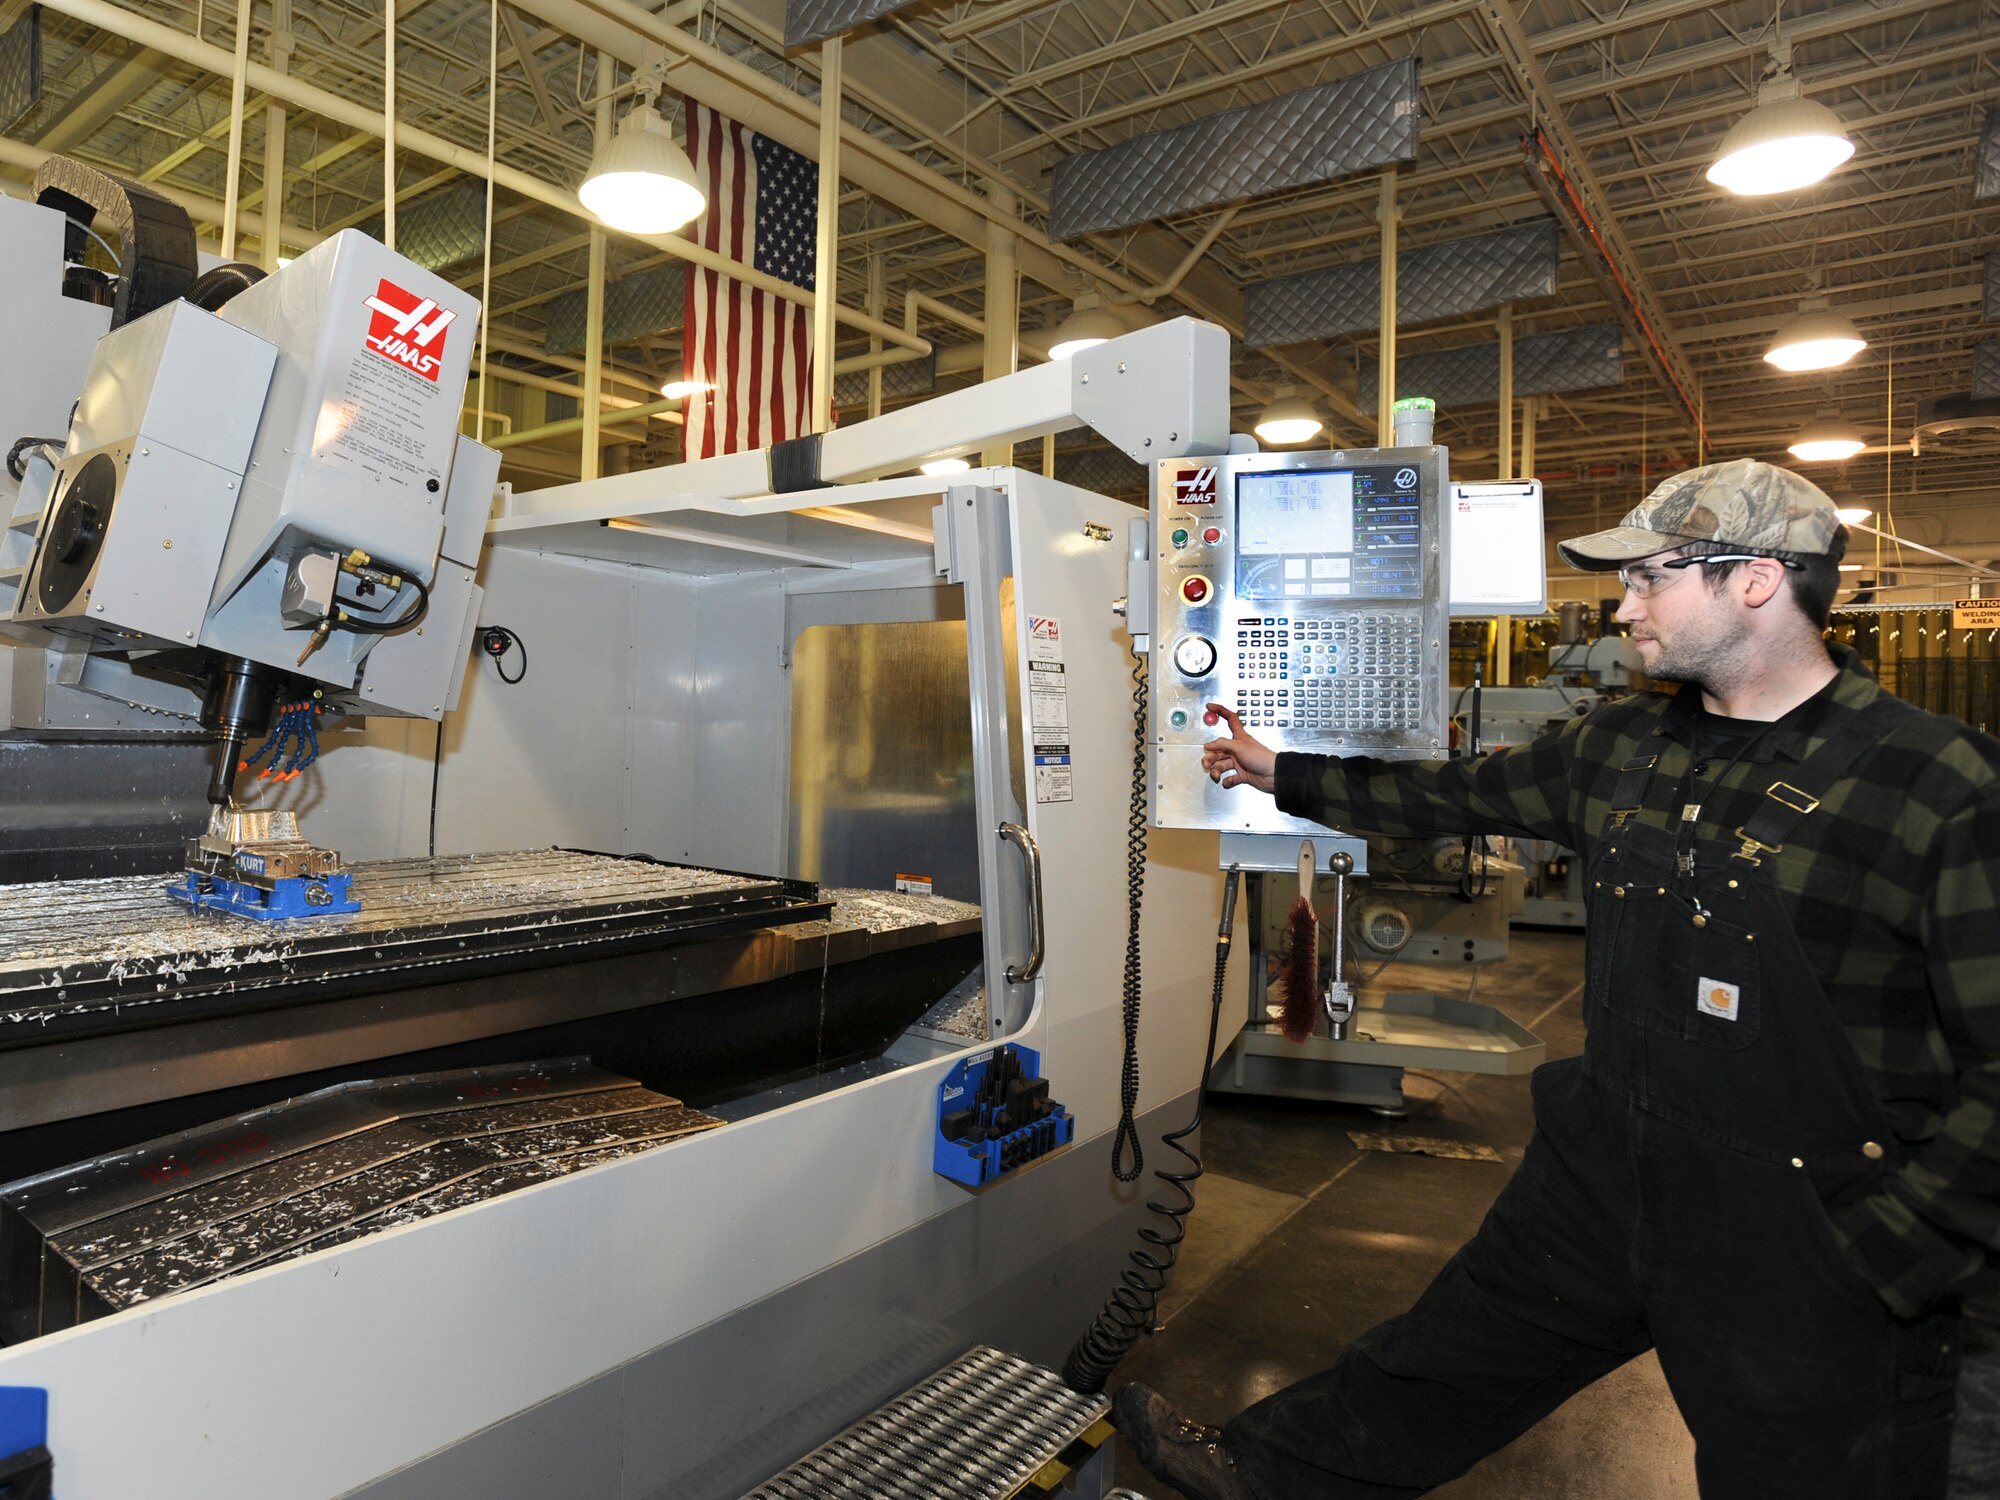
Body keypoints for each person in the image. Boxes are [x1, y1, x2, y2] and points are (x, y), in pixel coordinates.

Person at [1115, 458, 2000, 1500]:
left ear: (1755, 582)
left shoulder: (1933, 782)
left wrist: (1886, 1256)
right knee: (1440, 1361)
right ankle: (1261, 1476)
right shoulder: (1619, 745)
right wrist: (1284, 774)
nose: (1620, 607)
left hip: (1798, 1229)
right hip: (1603, 1173)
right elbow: (1447, 793)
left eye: (1649, 579)